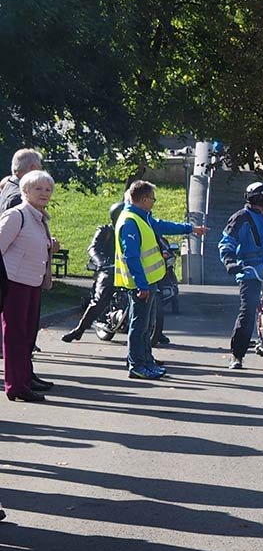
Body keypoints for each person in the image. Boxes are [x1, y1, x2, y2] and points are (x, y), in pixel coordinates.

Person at [114, 181, 203, 379]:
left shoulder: (142, 217)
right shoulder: (130, 221)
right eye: (153, 198)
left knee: (146, 326)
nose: (154, 202)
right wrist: (142, 285)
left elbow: (162, 225)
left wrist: (190, 229)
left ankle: (146, 361)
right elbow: (132, 256)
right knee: (139, 326)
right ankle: (136, 365)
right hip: (140, 284)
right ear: (144, 200)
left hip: (149, 281)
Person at [0, 170, 58, 400]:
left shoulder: (39, 217)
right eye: (38, 189)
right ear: (25, 191)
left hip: (33, 284)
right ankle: (16, 387)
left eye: (48, 189)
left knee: (26, 338)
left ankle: (24, 382)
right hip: (14, 284)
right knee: (15, 336)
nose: (44, 193)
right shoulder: (17, 215)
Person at [220, 182, 263, 370]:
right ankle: (237, 355)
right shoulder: (241, 218)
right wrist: (230, 262)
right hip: (250, 272)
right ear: (261, 199)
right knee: (248, 312)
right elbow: (227, 243)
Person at [61, 201, 125, 343]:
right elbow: (93, 248)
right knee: (100, 299)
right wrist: (103, 262)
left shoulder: (132, 230)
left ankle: (155, 330)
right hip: (110, 269)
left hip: (128, 269)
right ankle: (79, 330)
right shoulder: (105, 231)